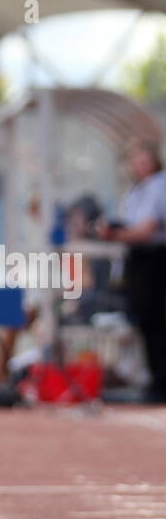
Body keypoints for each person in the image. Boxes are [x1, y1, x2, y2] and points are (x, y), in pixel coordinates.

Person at [94, 139, 166, 404]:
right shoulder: (137, 189)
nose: (138, 166)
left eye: (143, 160)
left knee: (156, 323)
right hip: (138, 259)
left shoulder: (159, 186)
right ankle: (154, 380)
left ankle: (161, 383)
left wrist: (116, 234)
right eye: (135, 161)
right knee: (146, 323)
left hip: (155, 258)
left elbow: (146, 229)